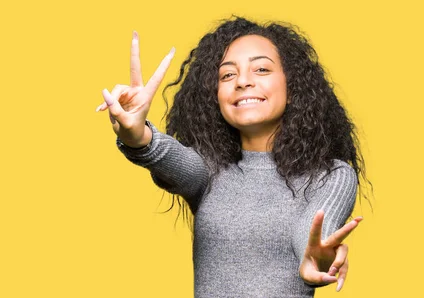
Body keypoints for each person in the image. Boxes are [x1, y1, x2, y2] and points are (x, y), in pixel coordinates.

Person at [96, 16, 369, 297]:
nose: (242, 81)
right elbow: (167, 156)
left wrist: (318, 258)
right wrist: (136, 134)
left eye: (261, 69)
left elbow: (313, 232)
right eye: (227, 74)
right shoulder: (210, 170)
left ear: (293, 86)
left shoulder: (331, 176)